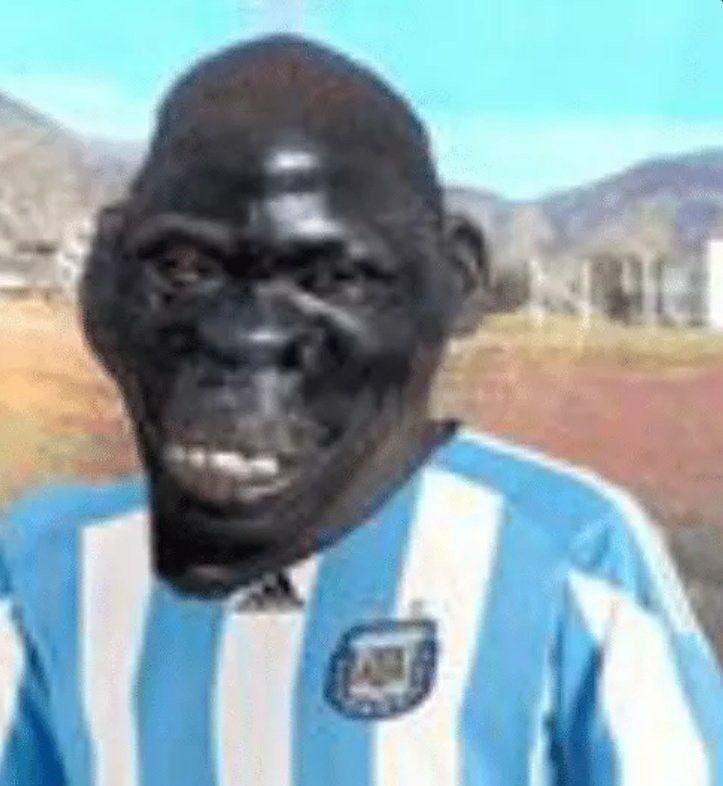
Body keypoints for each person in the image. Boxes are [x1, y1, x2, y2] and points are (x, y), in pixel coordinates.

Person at [1, 35, 721, 786]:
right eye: (185, 269)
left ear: (455, 282)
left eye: (334, 278)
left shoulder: (566, 551)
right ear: (107, 274)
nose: (244, 337)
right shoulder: (47, 568)